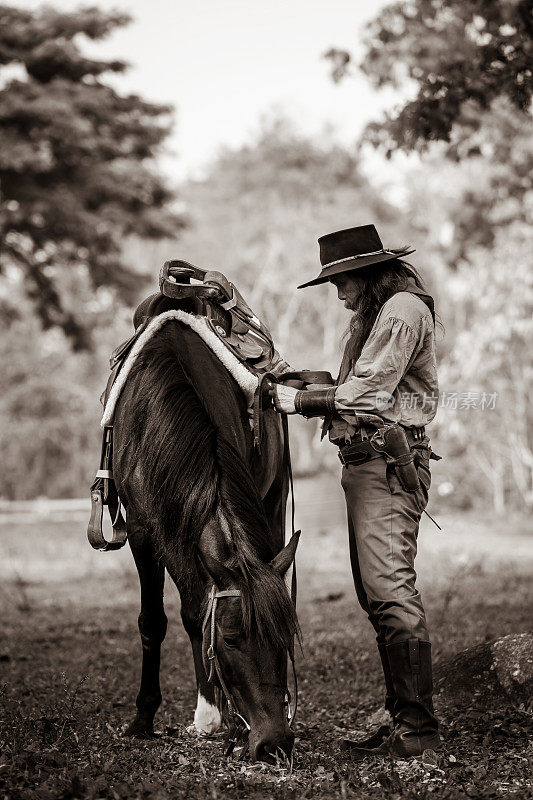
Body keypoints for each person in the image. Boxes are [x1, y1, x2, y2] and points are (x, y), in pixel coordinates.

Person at [271, 224, 441, 758]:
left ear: (368, 275)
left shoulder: (400, 311)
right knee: (378, 597)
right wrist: (309, 382)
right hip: (369, 465)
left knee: (390, 593)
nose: (340, 295)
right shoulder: (381, 313)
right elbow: (362, 384)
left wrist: (299, 403)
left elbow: (368, 395)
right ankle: (403, 721)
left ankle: (418, 734)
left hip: (386, 464)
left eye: (342, 282)